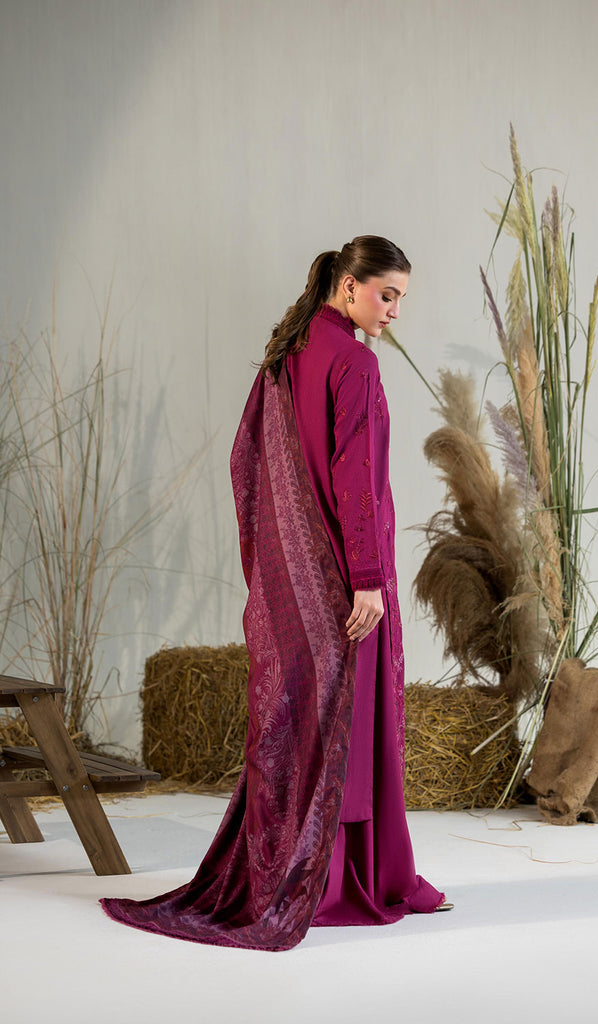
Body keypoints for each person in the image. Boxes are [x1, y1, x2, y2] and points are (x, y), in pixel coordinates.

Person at [101, 235, 448, 951]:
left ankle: (303, 870)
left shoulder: (289, 353)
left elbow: (247, 465)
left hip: (295, 577)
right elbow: (354, 478)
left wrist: (283, 565)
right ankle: (347, 881)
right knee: (354, 723)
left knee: (306, 722)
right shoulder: (354, 362)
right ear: (349, 285)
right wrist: (366, 578)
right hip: (346, 573)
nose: (394, 311)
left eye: (400, 299)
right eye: (386, 295)